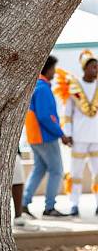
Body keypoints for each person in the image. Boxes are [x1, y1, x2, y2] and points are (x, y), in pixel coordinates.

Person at [22, 55, 71, 217]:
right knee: (57, 171)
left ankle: (24, 202)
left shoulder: (37, 86)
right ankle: (49, 207)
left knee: (39, 169)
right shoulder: (42, 88)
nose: (55, 72)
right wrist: (61, 134)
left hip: (35, 137)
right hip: (45, 137)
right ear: (47, 68)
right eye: (53, 68)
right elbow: (45, 116)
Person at [54, 50, 98, 216]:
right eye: (93, 67)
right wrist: (68, 133)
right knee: (76, 173)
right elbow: (67, 113)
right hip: (78, 138)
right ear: (85, 68)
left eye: (97, 67)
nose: (96, 70)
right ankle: (74, 204)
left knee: (97, 173)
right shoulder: (73, 86)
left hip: (97, 138)